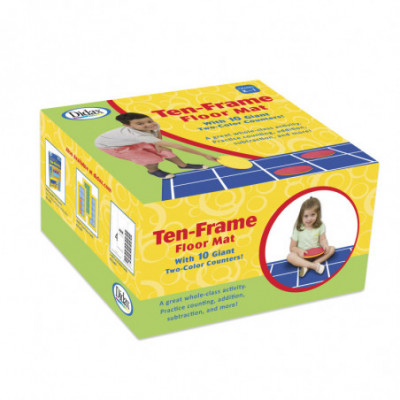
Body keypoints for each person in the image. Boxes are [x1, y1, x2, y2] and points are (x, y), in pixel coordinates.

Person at [95, 113, 217, 179]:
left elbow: (157, 132)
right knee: (150, 159)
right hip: (111, 145)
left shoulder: (152, 125)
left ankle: (183, 165)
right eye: (140, 124)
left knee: (164, 151)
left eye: (149, 121)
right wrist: (204, 154)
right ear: (128, 126)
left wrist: (158, 144)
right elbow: (178, 146)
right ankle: (153, 171)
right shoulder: (140, 136)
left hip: (129, 139)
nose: (149, 125)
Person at [287, 197, 335, 278]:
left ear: (317, 214)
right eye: (306, 216)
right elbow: (292, 248)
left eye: (312, 215)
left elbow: (322, 239)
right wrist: (299, 250)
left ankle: (310, 265)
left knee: (332, 249)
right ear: (301, 216)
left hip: (318, 254)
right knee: (290, 257)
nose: (309, 219)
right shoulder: (298, 228)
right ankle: (314, 266)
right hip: (303, 257)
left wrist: (325, 245)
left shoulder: (320, 226)